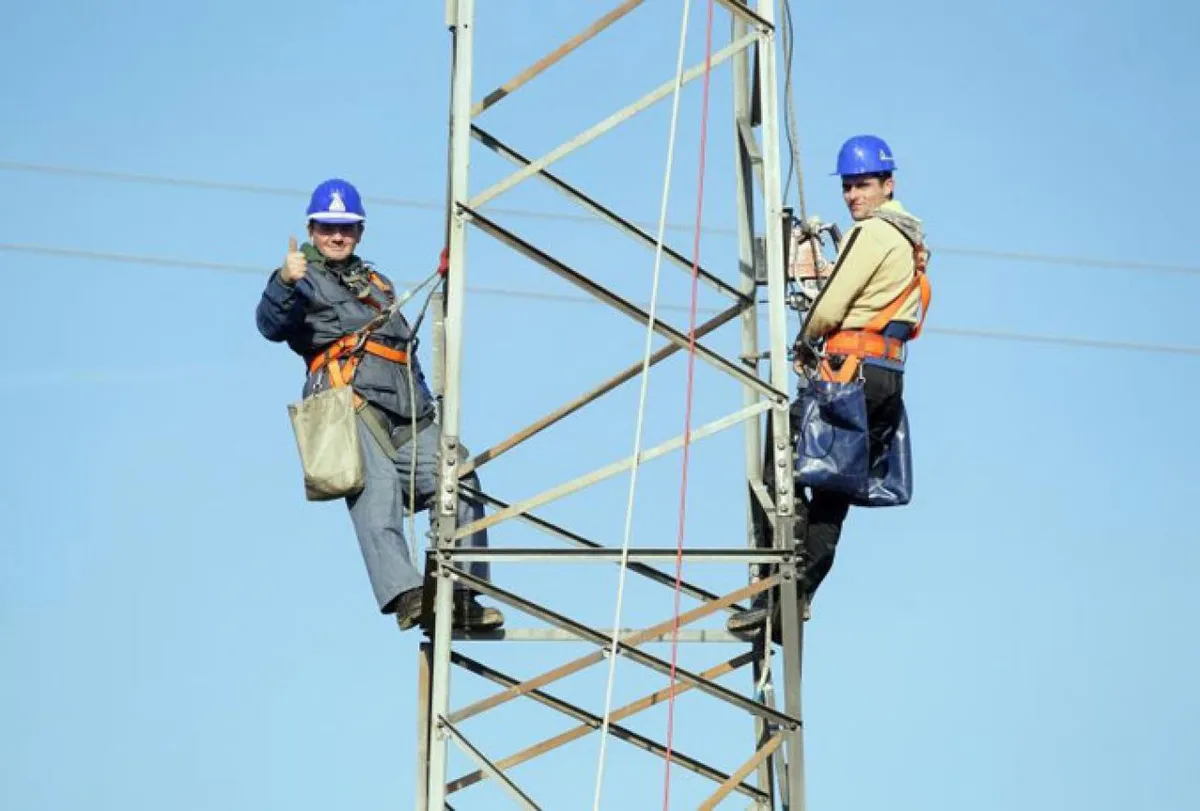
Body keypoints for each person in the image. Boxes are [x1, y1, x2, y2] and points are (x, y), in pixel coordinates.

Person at [256, 178, 505, 633]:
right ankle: (409, 595)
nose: (337, 236)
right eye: (329, 227)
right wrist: (282, 282)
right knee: (379, 493)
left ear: (359, 232)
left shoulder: (376, 283)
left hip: (408, 408)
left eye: (346, 228)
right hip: (350, 403)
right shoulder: (301, 280)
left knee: (459, 477)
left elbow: (401, 347)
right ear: (312, 229)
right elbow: (271, 325)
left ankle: (463, 593)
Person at [728, 134, 929, 637]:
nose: (852, 196)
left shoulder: (876, 233)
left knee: (784, 460)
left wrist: (804, 340)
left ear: (888, 184)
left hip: (849, 377)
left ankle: (775, 589)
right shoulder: (909, 239)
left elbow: (833, 306)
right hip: (885, 381)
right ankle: (796, 600)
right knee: (832, 494)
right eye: (848, 187)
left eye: (862, 185)